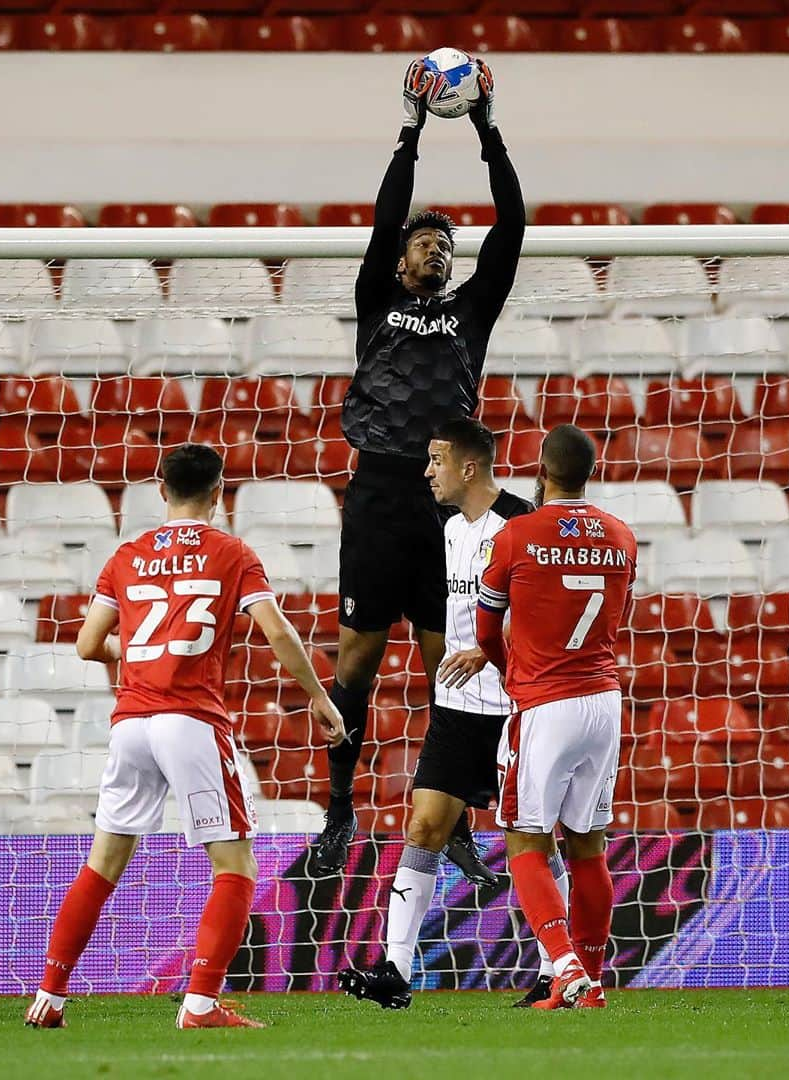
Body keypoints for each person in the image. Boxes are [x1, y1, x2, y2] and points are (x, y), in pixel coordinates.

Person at [24, 443, 345, 1031]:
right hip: (190, 721)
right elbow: (275, 631)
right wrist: (321, 697)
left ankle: (49, 994)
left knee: (102, 865)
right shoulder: (231, 552)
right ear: (220, 492)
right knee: (236, 865)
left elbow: (88, 644)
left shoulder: (127, 554)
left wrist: (140, 652)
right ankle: (200, 1003)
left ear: (159, 487)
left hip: (130, 724)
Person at [313, 55, 526, 878]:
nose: (435, 250)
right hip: (377, 495)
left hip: (448, 505)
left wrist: (483, 126)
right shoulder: (378, 299)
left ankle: (459, 821)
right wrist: (408, 130)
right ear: (400, 259)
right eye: (424, 242)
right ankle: (340, 812)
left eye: (445, 244)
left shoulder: (473, 309)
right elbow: (386, 214)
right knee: (356, 664)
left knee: (452, 666)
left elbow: (511, 224)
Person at [340, 418, 558, 1009]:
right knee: (423, 828)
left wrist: (491, 645)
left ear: (468, 467)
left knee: (533, 840)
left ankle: (554, 969)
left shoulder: (521, 524)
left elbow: (546, 611)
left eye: (436, 459)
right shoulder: (444, 528)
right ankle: (395, 970)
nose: (427, 471)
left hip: (516, 705)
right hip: (458, 706)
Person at [476, 426, 638, 1010]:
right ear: (588, 472)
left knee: (524, 837)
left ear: (540, 470)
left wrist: (509, 670)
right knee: (588, 843)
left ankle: (563, 965)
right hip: (603, 699)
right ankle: (591, 983)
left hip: (545, 701)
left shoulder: (516, 535)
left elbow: (485, 630)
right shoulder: (621, 536)